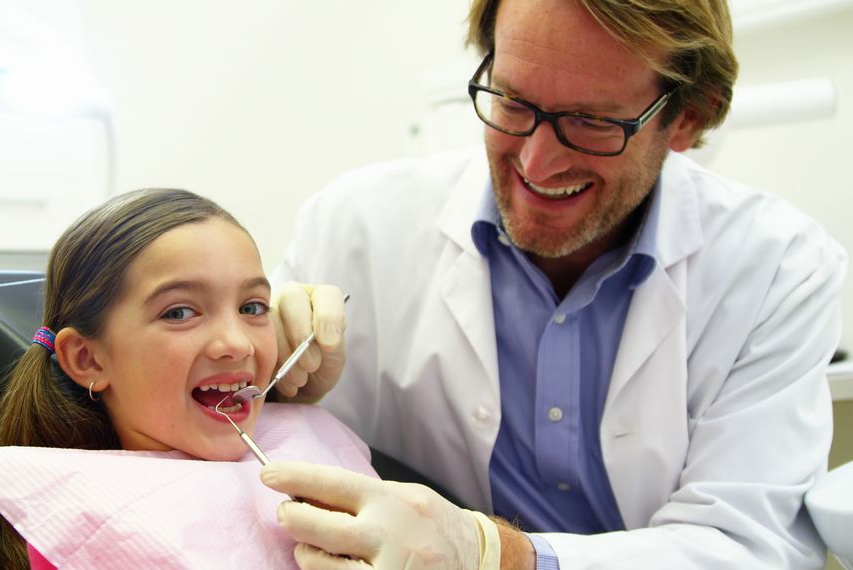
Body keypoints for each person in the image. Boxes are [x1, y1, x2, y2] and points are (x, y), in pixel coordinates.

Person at [262, 0, 847, 568]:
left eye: (591, 121)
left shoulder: (779, 268)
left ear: (687, 117)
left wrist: (502, 557)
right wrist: (273, 382)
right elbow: (219, 444)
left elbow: (749, 546)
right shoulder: (354, 224)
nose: (537, 165)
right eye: (513, 102)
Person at [0, 188, 378, 569]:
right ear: (87, 359)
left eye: (252, 307)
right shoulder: (88, 530)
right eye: (179, 312)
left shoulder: (300, 433)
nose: (237, 343)